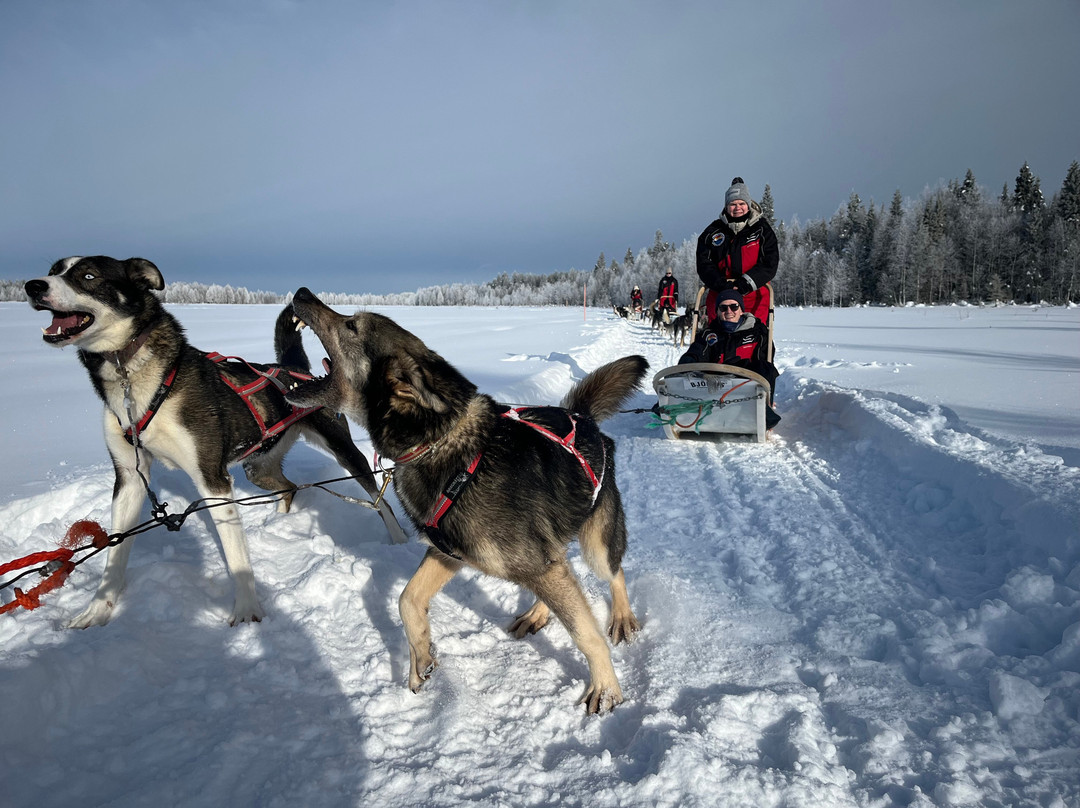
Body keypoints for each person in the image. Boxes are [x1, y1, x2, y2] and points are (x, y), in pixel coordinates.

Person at [678, 289, 780, 428]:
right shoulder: (710, 333)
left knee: (766, 368)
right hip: (714, 382)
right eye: (723, 307)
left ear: (741, 310)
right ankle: (668, 404)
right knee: (686, 366)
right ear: (718, 311)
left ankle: (763, 412)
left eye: (734, 306)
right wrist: (690, 358)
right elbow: (699, 350)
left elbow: (762, 360)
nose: (729, 311)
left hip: (746, 381)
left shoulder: (758, 332)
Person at [696, 177, 778, 330]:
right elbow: (704, 264)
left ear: (748, 205)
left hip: (754, 294)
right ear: (726, 207)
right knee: (718, 338)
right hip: (721, 295)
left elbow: (770, 262)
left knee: (756, 337)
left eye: (741, 203)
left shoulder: (762, 230)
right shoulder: (713, 232)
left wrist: (746, 283)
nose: (737, 208)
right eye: (733, 204)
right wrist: (720, 283)